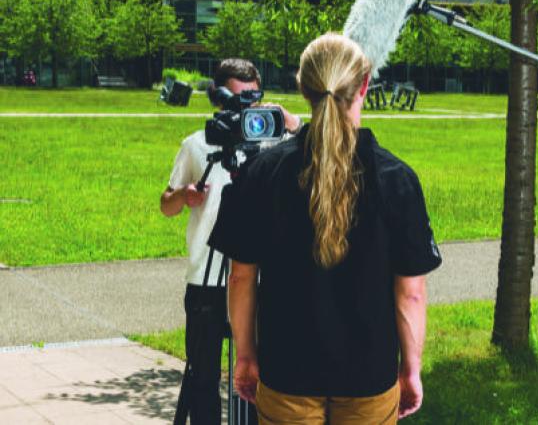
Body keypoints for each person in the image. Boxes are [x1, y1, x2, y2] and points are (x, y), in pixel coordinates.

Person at [209, 33, 442, 424]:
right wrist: (411, 369)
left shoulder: (260, 174)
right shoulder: (397, 180)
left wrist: (246, 356)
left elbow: (241, 279)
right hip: (370, 377)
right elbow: (412, 294)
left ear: (303, 88)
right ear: (364, 85)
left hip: (286, 372)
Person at [160, 58, 302, 425]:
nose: (247, 111)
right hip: (207, 279)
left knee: (257, 376)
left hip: (258, 279)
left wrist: (293, 123)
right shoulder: (197, 145)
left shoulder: (275, 143)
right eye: (237, 101)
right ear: (219, 101)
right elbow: (166, 203)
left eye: (253, 100)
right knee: (203, 377)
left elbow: (314, 148)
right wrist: (185, 195)